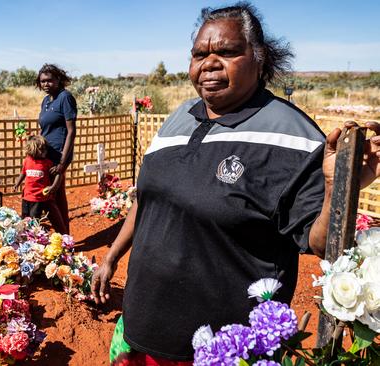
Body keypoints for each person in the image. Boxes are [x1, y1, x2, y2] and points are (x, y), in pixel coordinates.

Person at [90, 3, 380, 365]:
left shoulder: (293, 136)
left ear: (259, 58)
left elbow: (321, 243)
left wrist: (337, 187)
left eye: (227, 52)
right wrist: (111, 257)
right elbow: (148, 200)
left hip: (223, 350)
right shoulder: (177, 119)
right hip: (142, 327)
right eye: (200, 54)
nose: (209, 63)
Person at [36, 64, 77, 234]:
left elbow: (71, 131)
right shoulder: (46, 101)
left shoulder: (65, 97)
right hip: (45, 155)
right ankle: (63, 237)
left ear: (58, 79)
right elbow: (44, 129)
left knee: (52, 197)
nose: (46, 84)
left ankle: (64, 238)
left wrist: (62, 162)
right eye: (43, 81)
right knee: (54, 197)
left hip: (58, 156)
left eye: (49, 80)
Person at [13, 135, 67, 234]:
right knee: (25, 218)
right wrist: (17, 183)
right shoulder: (27, 161)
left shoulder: (47, 163)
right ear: (34, 150)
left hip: (39, 198)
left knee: (34, 220)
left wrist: (53, 187)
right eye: (42, 150)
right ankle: (25, 237)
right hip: (26, 196)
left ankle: (34, 239)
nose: (45, 152)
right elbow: (23, 173)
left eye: (45, 149)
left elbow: (59, 174)